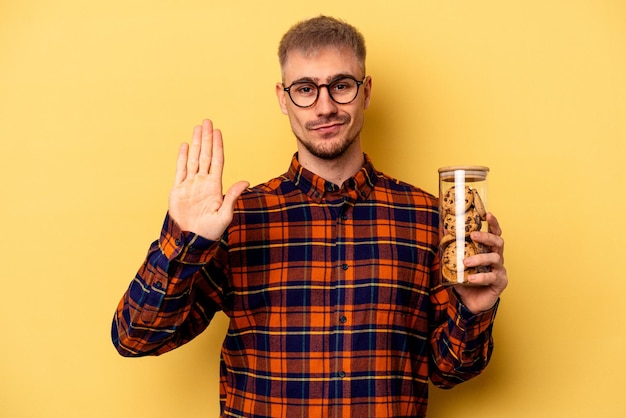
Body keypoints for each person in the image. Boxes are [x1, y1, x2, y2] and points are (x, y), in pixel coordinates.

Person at [112, 15, 508, 417]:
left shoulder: (426, 219)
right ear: (283, 99)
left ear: (366, 91)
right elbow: (135, 337)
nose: (325, 107)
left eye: (341, 86)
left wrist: (474, 310)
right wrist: (184, 241)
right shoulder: (238, 220)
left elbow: (450, 371)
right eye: (305, 89)